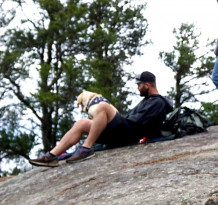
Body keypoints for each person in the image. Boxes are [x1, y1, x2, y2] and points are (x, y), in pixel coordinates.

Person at [29, 71, 173, 167]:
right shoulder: (149, 100)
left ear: (147, 85)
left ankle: (86, 148)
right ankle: (52, 156)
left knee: (104, 106)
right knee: (82, 123)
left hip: (130, 135)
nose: (138, 88)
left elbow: (140, 124)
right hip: (125, 131)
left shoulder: (158, 102)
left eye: (139, 85)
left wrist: (115, 118)